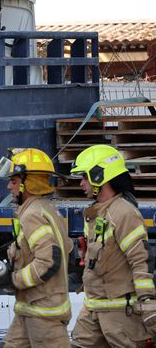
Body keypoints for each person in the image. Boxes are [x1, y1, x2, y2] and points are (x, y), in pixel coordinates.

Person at [69, 144, 156, 347]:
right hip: (92, 313)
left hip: (120, 317)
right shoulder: (95, 214)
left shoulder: (124, 213)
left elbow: (141, 261)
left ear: (100, 176)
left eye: (85, 176)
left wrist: (147, 302)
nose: (81, 183)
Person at [0, 148, 72, 347]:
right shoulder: (44, 208)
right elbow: (65, 249)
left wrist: (14, 280)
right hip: (29, 310)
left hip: (43, 315)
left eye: (14, 181)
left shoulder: (33, 214)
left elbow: (48, 260)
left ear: (28, 183)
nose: (9, 186)